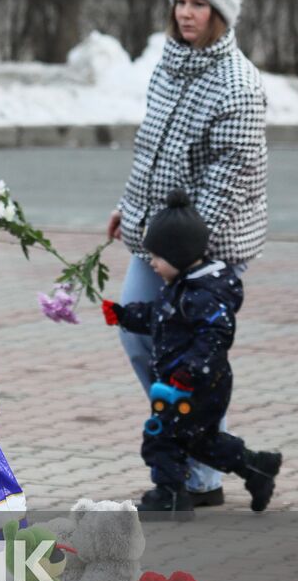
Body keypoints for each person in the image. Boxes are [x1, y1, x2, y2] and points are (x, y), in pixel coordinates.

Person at [108, 0, 268, 507]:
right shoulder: (168, 66)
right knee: (137, 334)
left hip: (209, 248)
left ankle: (198, 476)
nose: (186, 13)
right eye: (181, 1)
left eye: (199, 3)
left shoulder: (240, 86)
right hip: (158, 239)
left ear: (221, 13)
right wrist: (129, 208)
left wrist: (182, 256)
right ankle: (201, 461)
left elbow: (223, 186)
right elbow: (150, 156)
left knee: (193, 358)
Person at [102, 190, 280, 513]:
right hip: (186, 383)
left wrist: (188, 375)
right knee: (202, 442)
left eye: (157, 257)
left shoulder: (203, 295)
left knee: (161, 435)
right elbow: (158, 315)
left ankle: (170, 495)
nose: (152, 263)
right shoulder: (181, 287)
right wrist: (124, 314)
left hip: (196, 385)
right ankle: (257, 468)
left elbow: (214, 339)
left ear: (179, 255)